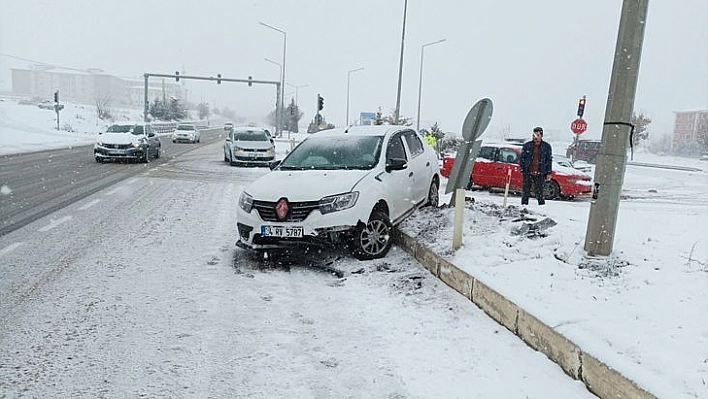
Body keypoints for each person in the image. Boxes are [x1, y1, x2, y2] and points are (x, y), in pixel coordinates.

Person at [519, 126, 553, 205]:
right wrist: (523, 168)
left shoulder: (546, 147)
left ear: (541, 136)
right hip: (528, 172)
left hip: (540, 173)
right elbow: (522, 158)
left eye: (538, 135)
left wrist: (548, 173)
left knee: (539, 193)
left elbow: (549, 160)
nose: (535, 137)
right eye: (534, 135)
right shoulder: (527, 145)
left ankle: (541, 207)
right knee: (525, 192)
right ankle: (524, 206)